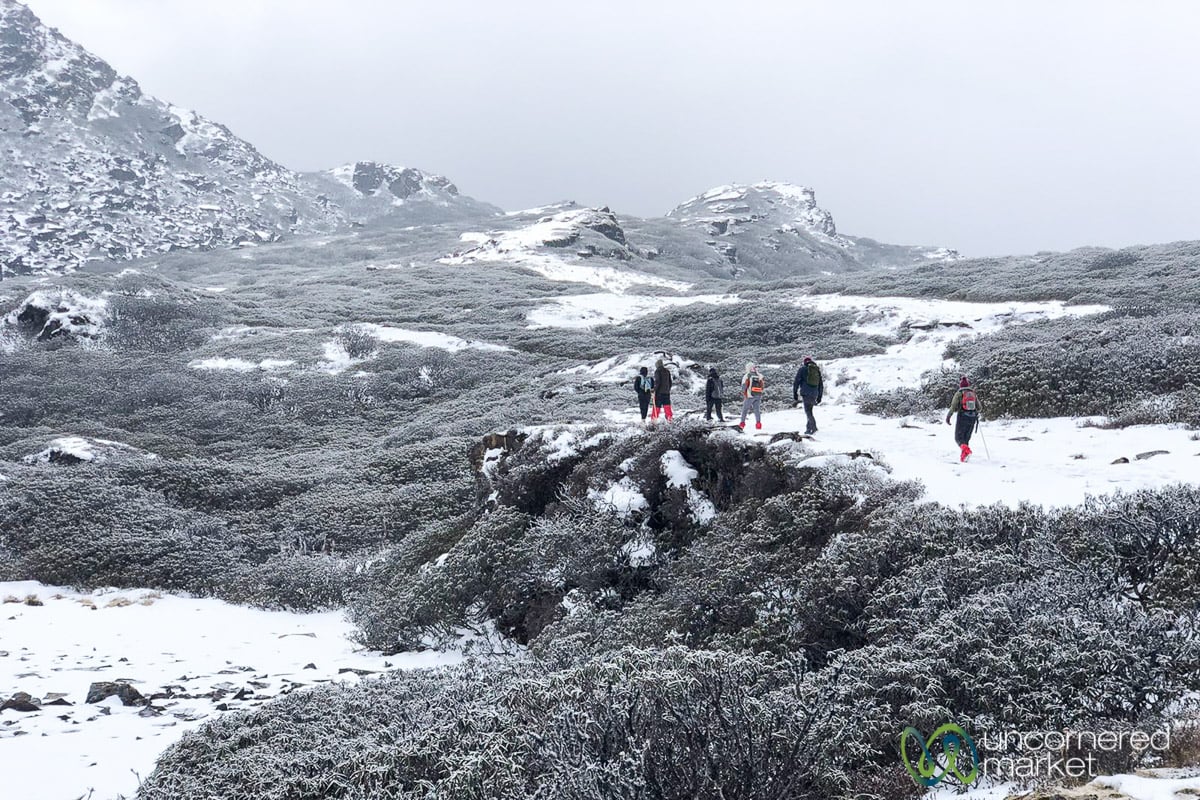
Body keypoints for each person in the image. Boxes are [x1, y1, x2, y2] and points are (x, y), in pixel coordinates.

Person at [945, 376, 982, 462]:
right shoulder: (973, 393)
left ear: (960, 385)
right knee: (966, 438)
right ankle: (964, 457)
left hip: (962, 417)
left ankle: (967, 452)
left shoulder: (959, 393)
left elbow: (953, 406)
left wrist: (948, 416)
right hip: (972, 418)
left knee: (958, 438)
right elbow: (979, 408)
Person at [792, 356, 824, 436]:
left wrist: (795, 393)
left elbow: (796, 382)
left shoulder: (802, 369)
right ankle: (808, 428)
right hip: (814, 393)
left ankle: (813, 428)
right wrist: (820, 396)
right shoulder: (816, 370)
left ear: (804, 362)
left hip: (805, 393)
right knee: (810, 410)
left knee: (808, 411)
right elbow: (821, 384)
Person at [739, 363, 765, 430]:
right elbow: (762, 386)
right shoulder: (759, 375)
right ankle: (758, 424)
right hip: (758, 395)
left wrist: (744, 393)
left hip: (750, 395)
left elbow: (744, 386)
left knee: (745, 410)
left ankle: (742, 424)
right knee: (757, 410)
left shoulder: (747, 375)